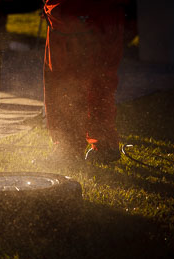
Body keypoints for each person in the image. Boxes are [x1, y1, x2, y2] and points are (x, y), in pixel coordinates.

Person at [43, 0, 126, 163]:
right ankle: (105, 145)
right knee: (101, 84)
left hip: (72, 17)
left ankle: (69, 149)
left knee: (67, 87)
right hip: (106, 19)